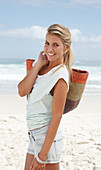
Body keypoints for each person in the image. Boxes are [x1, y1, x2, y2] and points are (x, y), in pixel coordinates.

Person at [18, 24, 73, 170]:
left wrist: (43, 155)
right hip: (34, 135)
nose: (49, 49)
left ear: (65, 48)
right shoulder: (42, 67)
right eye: (47, 43)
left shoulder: (60, 76)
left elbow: (57, 117)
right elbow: (22, 91)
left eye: (56, 45)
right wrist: (38, 65)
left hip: (47, 139)